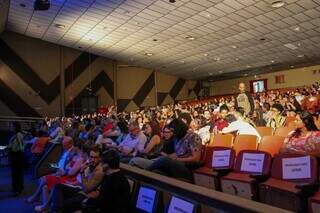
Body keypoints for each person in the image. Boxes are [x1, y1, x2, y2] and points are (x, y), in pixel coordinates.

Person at [27, 137, 82, 211]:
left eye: (64, 145)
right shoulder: (66, 150)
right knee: (44, 186)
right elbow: (62, 163)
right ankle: (46, 207)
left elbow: (69, 170)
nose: (63, 147)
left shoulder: (74, 153)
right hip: (59, 169)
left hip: (64, 174)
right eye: (62, 145)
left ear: (71, 144)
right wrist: (55, 167)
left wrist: (62, 171)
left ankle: (36, 197)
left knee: (44, 178)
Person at [51, 145, 104, 212]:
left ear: (100, 158)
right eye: (91, 157)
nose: (93, 160)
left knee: (62, 203)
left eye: (95, 157)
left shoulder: (99, 171)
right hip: (81, 190)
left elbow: (87, 188)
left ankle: (55, 209)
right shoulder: (91, 165)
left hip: (87, 196)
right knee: (58, 186)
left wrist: (82, 172)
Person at [7, 122, 25, 195]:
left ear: (15, 127)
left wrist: (9, 147)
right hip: (18, 156)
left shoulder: (17, 135)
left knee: (16, 173)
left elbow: (16, 147)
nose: (10, 127)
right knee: (17, 173)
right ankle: (18, 188)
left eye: (11, 126)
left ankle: (17, 189)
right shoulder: (18, 135)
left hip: (17, 156)